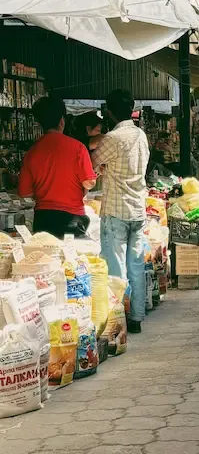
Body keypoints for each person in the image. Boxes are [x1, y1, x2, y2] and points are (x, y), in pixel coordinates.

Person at [92, 90, 150, 334]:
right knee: (136, 266)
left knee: (116, 270)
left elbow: (93, 162)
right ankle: (136, 317)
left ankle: (119, 321)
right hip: (138, 208)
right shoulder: (140, 135)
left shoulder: (112, 138)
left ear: (109, 112)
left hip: (116, 210)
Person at [17, 96, 96, 237]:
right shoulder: (78, 148)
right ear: (62, 121)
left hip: (43, 219)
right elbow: (89, 182)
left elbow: (25, 193)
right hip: (72, 218)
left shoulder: (32, 152)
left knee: (44, 251)